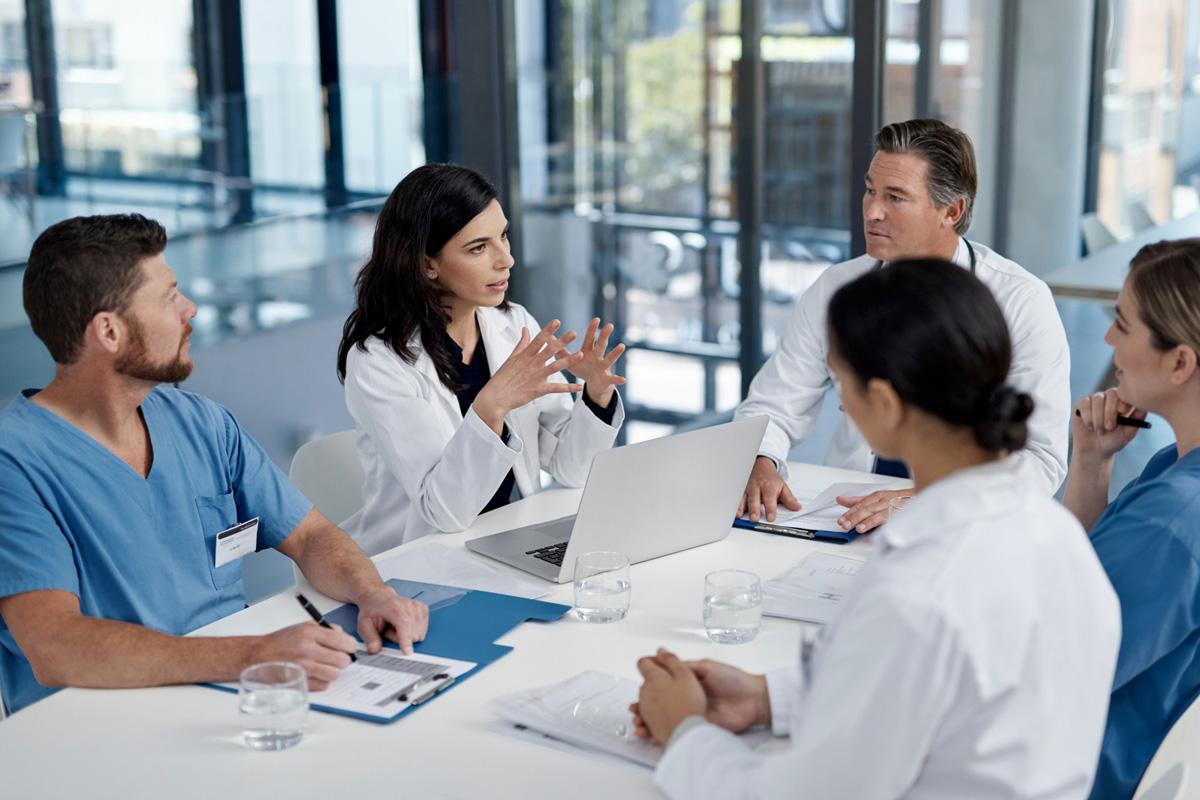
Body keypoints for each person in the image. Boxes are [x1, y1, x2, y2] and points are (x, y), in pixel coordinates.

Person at [633, 260, 1120, 799]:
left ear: (886, 405)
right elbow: (935, 691)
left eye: (843, 378)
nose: (839, 398)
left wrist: (683, 731)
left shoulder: (920, 591)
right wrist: (768, 696)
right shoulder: (1055, 535)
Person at [0, 214, 428, 715]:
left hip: (232, 697)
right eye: (168, 297)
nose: (190, 309)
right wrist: (252, 655)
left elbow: (310, 535)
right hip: (101, 728)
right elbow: (56, 647)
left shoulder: (203, 424)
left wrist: (373, 593)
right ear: (109, 331)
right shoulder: (15, 463)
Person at [735, 118, 1070, 533]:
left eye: (896, 197)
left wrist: (927, 497)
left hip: (964, 521)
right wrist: (759, 461)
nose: (873, 211)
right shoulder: (836, 288)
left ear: (952, 210)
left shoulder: (1021, 301)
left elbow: (1041, 458)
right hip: (843, 515)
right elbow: (773, 404)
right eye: (870, 190)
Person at [337, 164, 625, 556]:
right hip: (421, 557)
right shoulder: (378, 362)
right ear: (427, 264)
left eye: (503, 236)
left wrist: (596, 393)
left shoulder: (513, 323)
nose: (505, 259)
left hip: (511, 538)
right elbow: (443, 510)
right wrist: (493, 403)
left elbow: (570, 468)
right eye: (478, 247)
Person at [1062, 239, 1200, 799]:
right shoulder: (1178, 468)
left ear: (1180, 361)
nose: (1107, 341)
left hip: (1069, 772)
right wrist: (1091, 463)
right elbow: (1078, 580)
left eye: (1123, 324)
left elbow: (1044, 665)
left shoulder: (1173, 520)